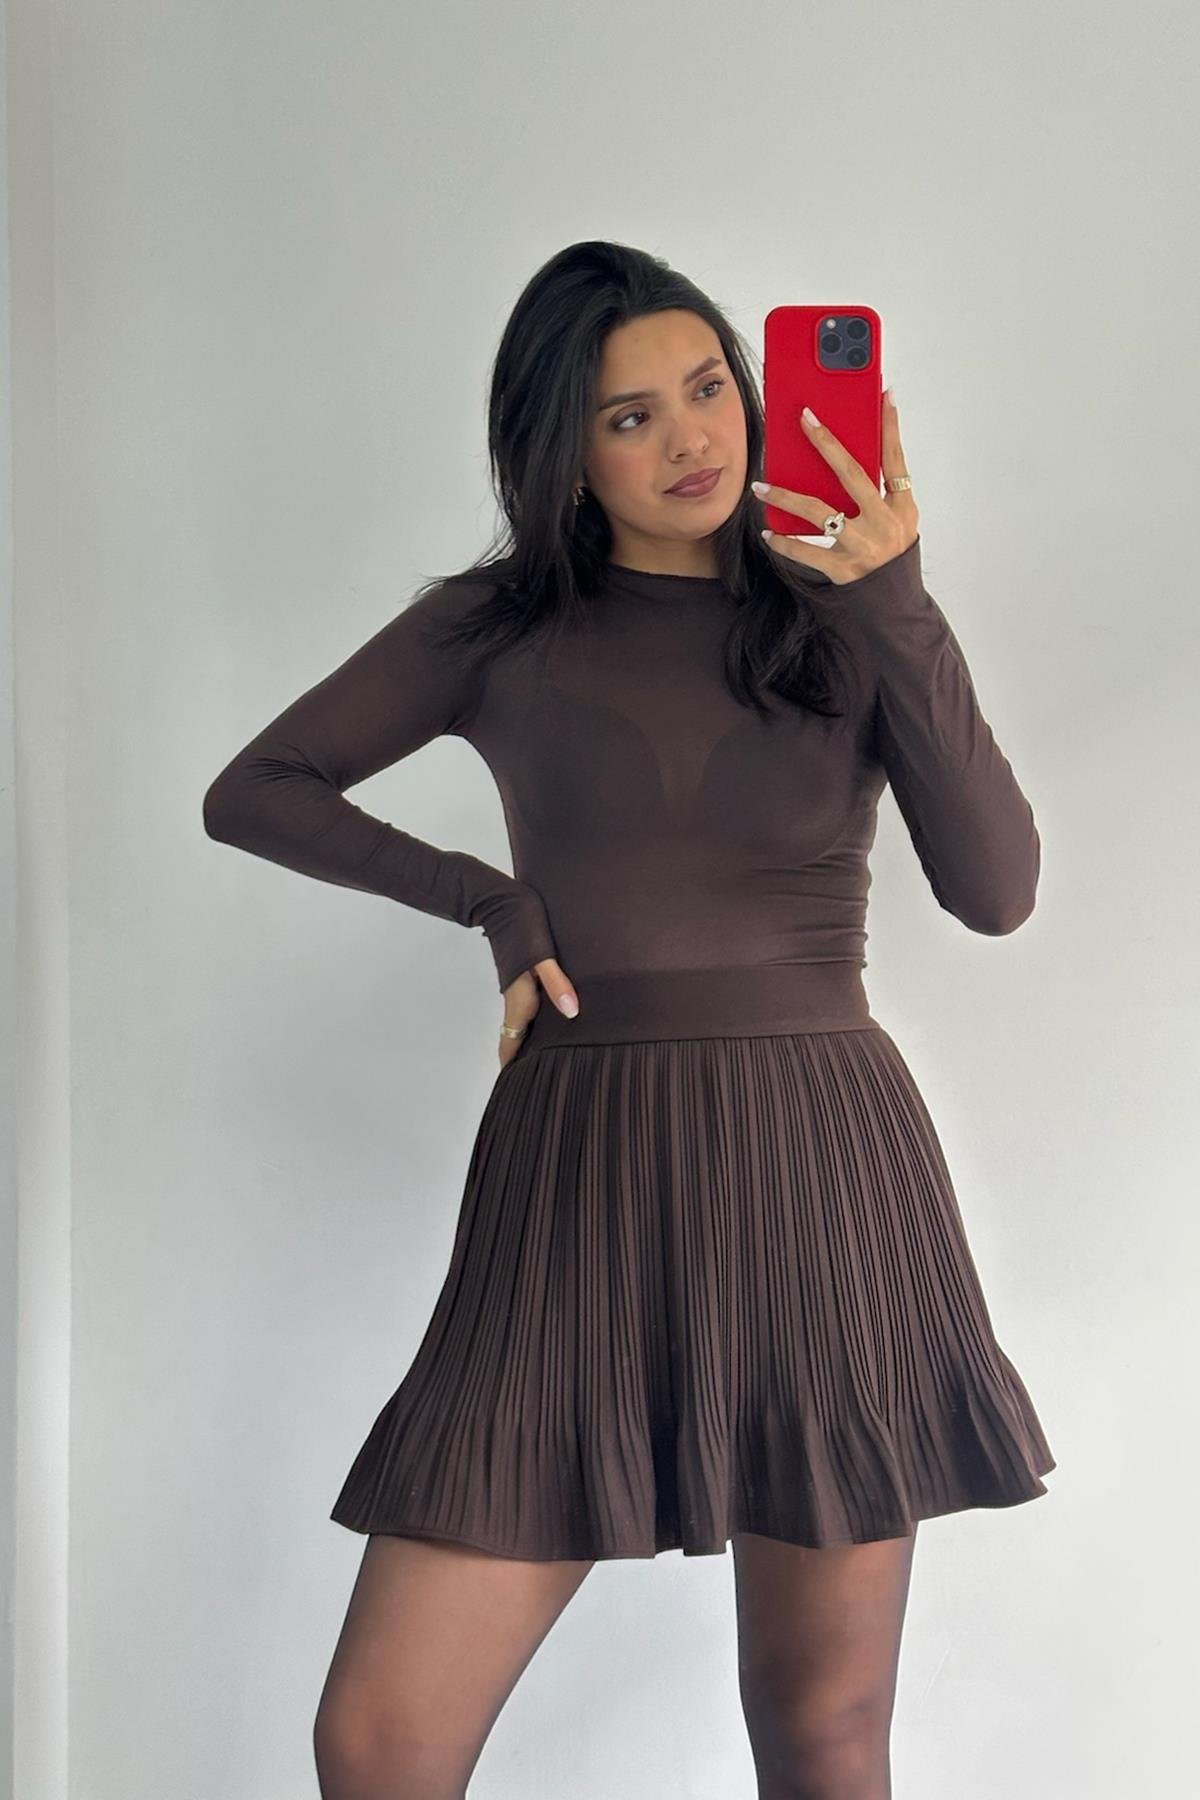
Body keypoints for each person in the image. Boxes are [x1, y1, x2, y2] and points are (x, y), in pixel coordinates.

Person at [203, 239, 1055, 1800]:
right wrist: (491, 903)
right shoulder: (495, 627)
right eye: (629, 416)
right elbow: (256, 788)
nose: (691, 440)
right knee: (382, 1738)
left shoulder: (846, 617)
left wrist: (895, 597)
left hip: (822, 1174)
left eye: (709, 388)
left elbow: (997, 890)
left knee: (822, 1723)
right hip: (580, 1174)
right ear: (565, 453)